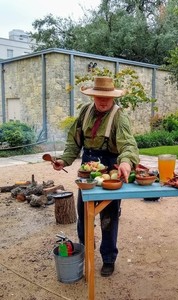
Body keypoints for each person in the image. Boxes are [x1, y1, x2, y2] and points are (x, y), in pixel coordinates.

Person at [52, 76, 140, 277]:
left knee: (108, 217)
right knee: (84, 214)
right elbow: (75, 140)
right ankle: (86, 251)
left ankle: (108, 258)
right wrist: (64, 160)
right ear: (93, 96)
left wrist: (126, 162)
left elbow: (128, 144)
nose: (103, 101)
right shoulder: (85, 112)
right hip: (87, 170)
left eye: (107, 98)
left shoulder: (119, 116)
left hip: (110, 170)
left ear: (113, 97)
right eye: (99, 96)